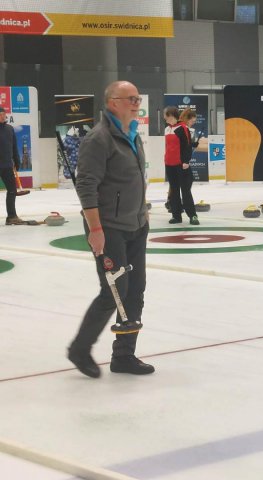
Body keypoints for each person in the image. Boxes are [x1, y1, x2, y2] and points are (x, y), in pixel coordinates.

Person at [68, 80, 154, 378]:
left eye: (137, 97)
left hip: (135, 224)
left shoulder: (133, 135)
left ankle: (124, 356)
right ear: (112, 102)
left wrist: (143, 213)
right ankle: (80, 348)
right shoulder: (99, 138)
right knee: (113, 291)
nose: (136, 102)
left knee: (135, 291)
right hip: (108, 227)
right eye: (130, 98)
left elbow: (134, 180)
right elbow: (86, 185)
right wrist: (95, 229)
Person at [165, 107, 199, 225]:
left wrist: (186, 161)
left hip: (181, 164)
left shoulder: (182, 128)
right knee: (174, 191)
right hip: (169, 164)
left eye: (166, 116)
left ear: (172, 116)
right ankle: (176, 215)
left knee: (185, 190)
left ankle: (193, 216)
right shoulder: (167, 129)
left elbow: (187, 146)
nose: (165, 118)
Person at [0, 107, 23, 225]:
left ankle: (12, 216)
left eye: (4, 114)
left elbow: (14, 146)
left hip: (7, 166)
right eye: (1, 115)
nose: (3, 116)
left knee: (12, 191)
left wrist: (17, 160)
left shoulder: (9, 129)